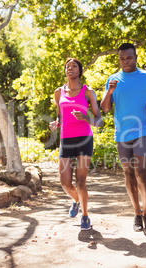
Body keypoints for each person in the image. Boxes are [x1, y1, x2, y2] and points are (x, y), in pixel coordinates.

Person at [100, 43, 146, 235]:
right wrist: (109, 92)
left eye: (129, 58)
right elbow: (104, 108)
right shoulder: (112, 80)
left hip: (144, 129)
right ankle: (136, 214)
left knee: (141, 170)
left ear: (135, 57)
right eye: (122, 58)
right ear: (119, 59)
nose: (125, 61)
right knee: (128, 174)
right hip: (122, 133)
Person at [50, 58, 102, 231]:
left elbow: (99, 121)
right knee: (65, 183)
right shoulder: (59, 92)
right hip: (66, 139)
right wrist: (55, 123)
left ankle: (85, 215)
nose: (70, 68)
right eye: (67, 66)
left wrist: (86, 118)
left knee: (80, 182)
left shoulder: (88, 92)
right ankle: (76, 200)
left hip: (84, 139)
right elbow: (60, 116)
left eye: (74, 66)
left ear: (79, 71)